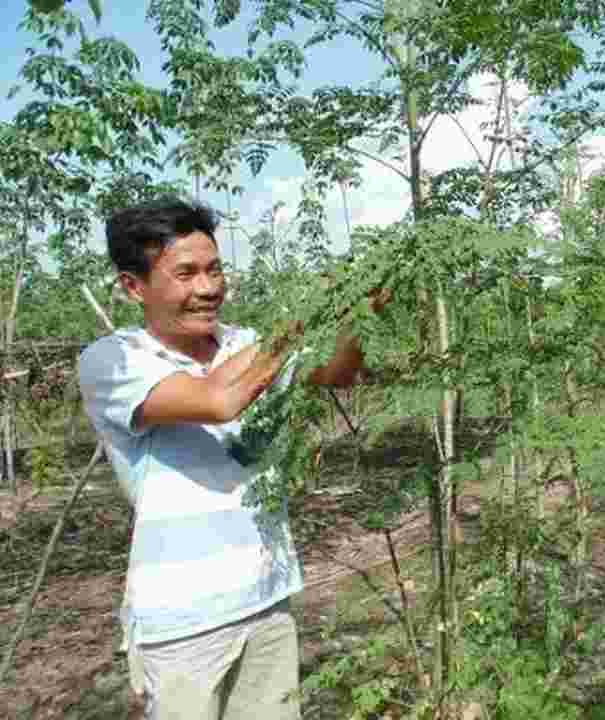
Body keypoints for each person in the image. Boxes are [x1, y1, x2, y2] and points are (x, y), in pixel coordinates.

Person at [77, 197, 387, 720]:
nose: (208, 287)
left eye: (215, 268)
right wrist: (307, 314)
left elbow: (336, 373)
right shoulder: (112, 360)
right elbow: (218, 400)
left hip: (267, 601)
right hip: (181, 626)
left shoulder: (245, 342)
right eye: (186, 273)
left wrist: (362, 309)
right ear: (134, 287)